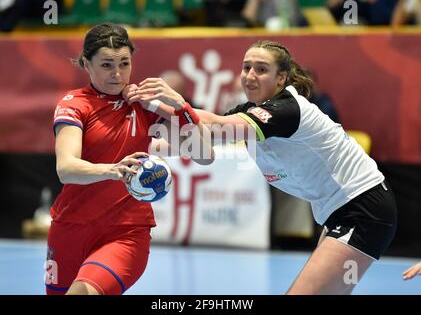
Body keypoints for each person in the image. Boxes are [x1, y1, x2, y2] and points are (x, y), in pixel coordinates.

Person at [126, 40, 398, 294]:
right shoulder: (248, 111)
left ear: (281, 78)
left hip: (362, 209)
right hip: (339, 212)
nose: (250, 75)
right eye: (246, 67)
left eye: (261, 69)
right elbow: (201, 140)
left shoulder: (287, 110)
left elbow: (216, 126)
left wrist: (163, 104)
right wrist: (136, 145)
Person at [48, 23, 212, 295]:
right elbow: (66, 168)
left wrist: (179, 104)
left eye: (124, 63)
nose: (117, 74)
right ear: (87, 64)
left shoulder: (144, 104)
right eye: (107, 65)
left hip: (126, 232)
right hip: (70, 227)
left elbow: (204, 154)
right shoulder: (74, 104)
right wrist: (114, 170)